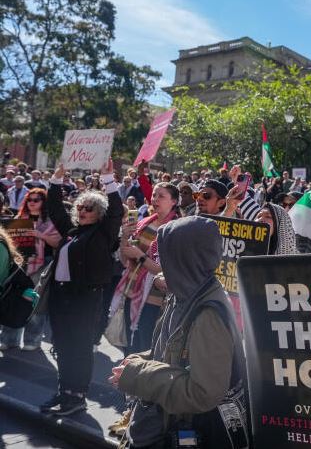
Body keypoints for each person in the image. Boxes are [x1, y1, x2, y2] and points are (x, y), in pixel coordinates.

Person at [109, 216, 246, 448]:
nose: (160, 262)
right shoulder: (183, 294)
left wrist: (137, 374)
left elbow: (203, 392)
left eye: (165, 255)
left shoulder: (207, 313)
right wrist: (137, 361)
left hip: (184, 432)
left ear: (184, 258)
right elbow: (170, 351)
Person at [41, 159, 122, 416]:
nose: (84, 210)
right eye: (81, 207)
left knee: (79, 348)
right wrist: (55, 180)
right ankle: (64, 390)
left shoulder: (103, 233)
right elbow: (54, 210)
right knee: (63, 346)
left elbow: (117, 212)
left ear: (98, 212)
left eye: (89, 208)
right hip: (61, 297)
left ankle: (77, 396)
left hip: (84, 298)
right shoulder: (72, 232)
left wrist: (108, 179)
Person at [110, 181, 180, 354]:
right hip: (131, 292)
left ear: (174, 202)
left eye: (161, 196)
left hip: (154, 299)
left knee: (144, 347)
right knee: (128, 348)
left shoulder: (176, 229)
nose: (155, 199)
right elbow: (126, 260)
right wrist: (125, 237)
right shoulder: (143, 223)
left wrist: (140, 256)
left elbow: (168, 272)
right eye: (154, 194)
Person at [0, 188, 60, 351]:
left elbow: (58, 243)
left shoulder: (50, 221)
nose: (32, 202)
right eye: (29, 199)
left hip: (41, 265)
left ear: (43, 202)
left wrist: (40, 235)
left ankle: (32, 340)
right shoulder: (18, 219)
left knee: (35, 302)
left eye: (36, 200)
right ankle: (9, 338)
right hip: (19, 265)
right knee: (13, 299)